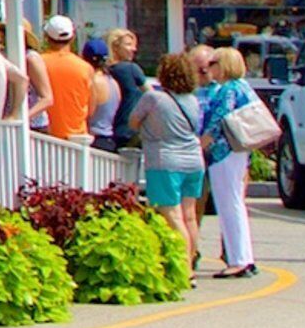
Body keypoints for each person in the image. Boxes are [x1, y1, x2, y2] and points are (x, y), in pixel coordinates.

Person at [131, 51, 206, 270]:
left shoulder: (153, 98)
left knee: (172, 216)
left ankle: (184, 269)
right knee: (189, 216)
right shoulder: (192, 100)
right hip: (193, 159)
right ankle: (192, 260)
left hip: (165, 160)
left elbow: (133, 122)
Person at [196, 44, 262, 280]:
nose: (208, 67)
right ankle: (244, 257)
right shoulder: (242, 86)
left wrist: (200, 145)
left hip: (225, 153)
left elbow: (218, 121)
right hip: (238, 152)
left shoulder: (227, 90)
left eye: (213, 63)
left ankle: (237, 260)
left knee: (228, 205)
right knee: (235, 203)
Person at [33, 17, 95, 150]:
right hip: (78, 138)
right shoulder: (85, 67)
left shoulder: (38, 63)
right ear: (72, 38)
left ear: (46, 37)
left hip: (45, 136)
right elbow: (91, 108)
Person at [101, 29, 149, 153]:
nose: (134, 49)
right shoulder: (131, 69)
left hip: (108, 130)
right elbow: (152, 95)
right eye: (128, 45)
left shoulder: (105, 71)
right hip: (130, 131)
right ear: (115, 47)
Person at [82, 40, 122, 143]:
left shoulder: (94, 81)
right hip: (109, 137)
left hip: (95, 138)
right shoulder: (113, 82)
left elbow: (89, 113)